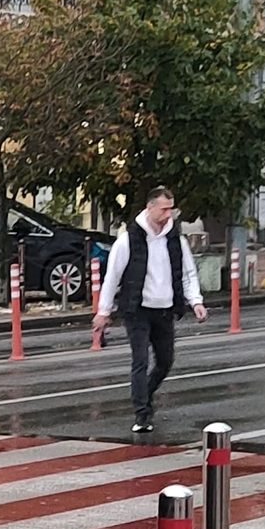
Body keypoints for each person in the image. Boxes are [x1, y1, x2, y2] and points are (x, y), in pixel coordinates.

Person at [89, 183, 208, 433]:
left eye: (171, 209)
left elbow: (187, 273)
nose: (168, 214)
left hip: (164, 310)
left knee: (165, 362)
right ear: (150, 207)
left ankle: (146, 393)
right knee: (140, 361)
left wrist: (195, 301)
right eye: (164, 209)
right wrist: (103, 311)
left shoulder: (176, 240)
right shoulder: (128, 240)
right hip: (138, 310)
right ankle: (142, 413)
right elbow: (112, 277)